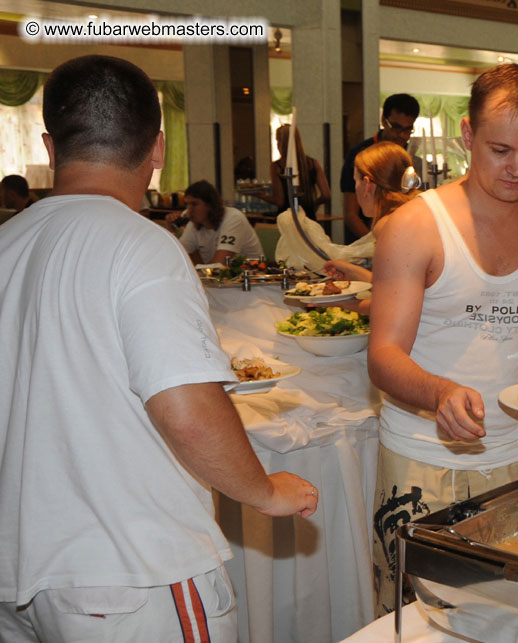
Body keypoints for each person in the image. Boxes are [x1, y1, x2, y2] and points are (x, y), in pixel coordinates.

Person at [0, 55, 318, 642]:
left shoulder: (8, 242)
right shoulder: (141, 245)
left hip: (23, 567)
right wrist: (265, 490)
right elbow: (186, 408)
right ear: (159, 149)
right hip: (131, 572)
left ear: (50, 145)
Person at [366, 63, 518, 615]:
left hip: (517, 456)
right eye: (501, 150)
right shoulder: (415, 227)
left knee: (514, 614)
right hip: (423, 456)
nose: (517, 169)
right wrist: (438, 393)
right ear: (467, 136)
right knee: (418, 616)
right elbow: (382, 356)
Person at [321, 141, 421, 313]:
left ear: (367, 184)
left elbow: (392, 305)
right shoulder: (411, 213)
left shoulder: (389, 225)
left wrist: (339, 303)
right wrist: (352, 270)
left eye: (355, 181)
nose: (355, 189)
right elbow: (398, 285)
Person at [340, 94, 420, 243]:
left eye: (408, 130)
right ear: (384, 120)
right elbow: (351, 214)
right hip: (366, 240)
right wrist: (377, 243)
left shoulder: (411, 157)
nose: (402, 135)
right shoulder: (360, 155)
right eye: (396, 128)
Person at [166, 179, 263, 265]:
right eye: (187, 204)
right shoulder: (194, 224)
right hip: (224, 280)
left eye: (194, 204)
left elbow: (220, 264)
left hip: (253, 278)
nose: (189, 210)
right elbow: (175, 257)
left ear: (210, 205)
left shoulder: (234, 218)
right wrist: (170, 230)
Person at [261, 124, 330, 219]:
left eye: (278, 141)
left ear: (281, 143)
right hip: (308, 216)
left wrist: (259, 195)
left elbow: (279, 201)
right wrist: (313, 204)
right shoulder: (312, 163)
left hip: (286, 217)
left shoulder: (277, 166)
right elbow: (326, 195)